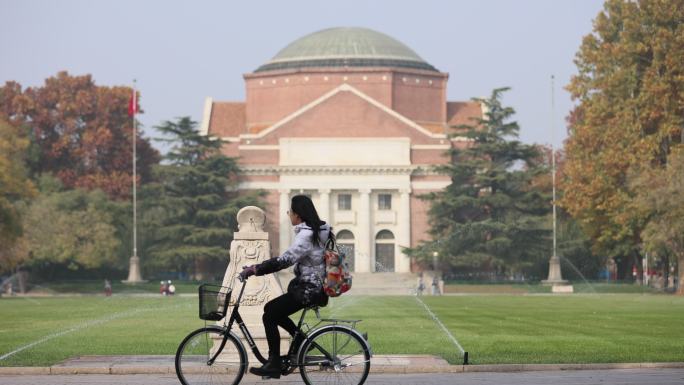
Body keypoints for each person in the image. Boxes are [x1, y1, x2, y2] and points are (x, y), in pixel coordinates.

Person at [239, 195, 330, 379]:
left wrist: (255, 269)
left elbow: (285, 260)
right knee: (271, 310)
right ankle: (301, 341)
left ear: (297, 214)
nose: (288, 215)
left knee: (270, 315)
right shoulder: (315, 232)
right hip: (311, 287)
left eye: (290, 212)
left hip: (309, 289)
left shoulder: (307, 235)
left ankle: (273, 363)